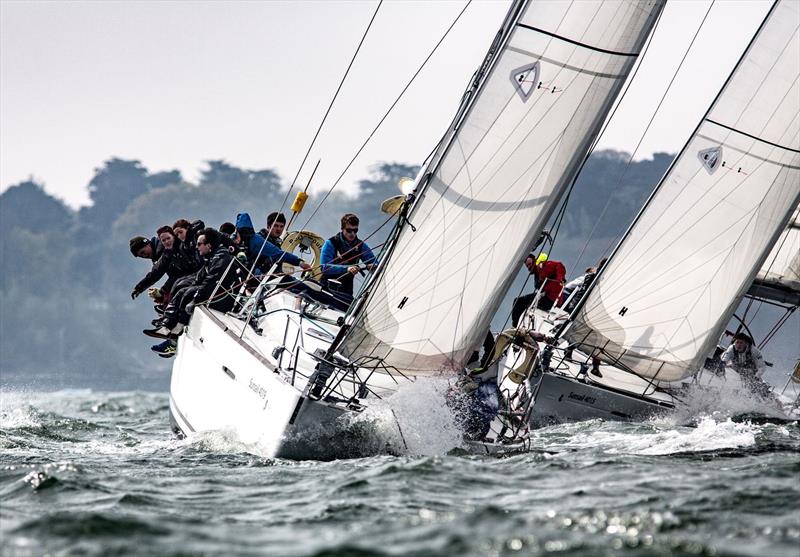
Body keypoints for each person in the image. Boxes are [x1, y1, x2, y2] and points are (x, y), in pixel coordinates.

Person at [145, 228, 242, 356]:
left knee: (187, 293)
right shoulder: (211, 256)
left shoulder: (221, 257)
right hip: (217, 293)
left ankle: (172, 327)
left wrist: (195, 298)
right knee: (182, 289)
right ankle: (168, 325)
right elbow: (200, 277)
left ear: (209, 245)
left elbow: (211, 282)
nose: (197, 247)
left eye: (199, 244)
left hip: (222, 299)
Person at [130, 226, 202, 303]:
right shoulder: (159, 257)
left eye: (143, 252)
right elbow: (175, 276)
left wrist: (140, 287)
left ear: (147, 244)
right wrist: (162, 292)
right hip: (192, 275)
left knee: (178, 293)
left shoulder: (164, 246)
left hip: (200, 267)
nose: (144, 256)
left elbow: (156, 272)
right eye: (141, 256)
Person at [320, 213, 376, 302]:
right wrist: (347, 269)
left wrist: (373, 266)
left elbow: (374, 262)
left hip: (346, 292)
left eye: (355, 231)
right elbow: (325, 267)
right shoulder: (330, 243)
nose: (352, 234)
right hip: (326, 288)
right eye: (349, 230)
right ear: (342, 229)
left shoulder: (361, 246)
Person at [235, 212, 310, 275]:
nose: (279, 229)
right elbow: (278, 253)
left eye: (281, 226)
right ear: (268, 226)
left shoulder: (277, 243)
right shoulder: (259, 240)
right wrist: (299, 262)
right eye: (275, 226)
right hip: (259, 280)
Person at [511, 253, 566, 326]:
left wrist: (560, 278)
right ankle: (520, 325)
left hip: (550, 300)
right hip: (548, 299)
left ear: (535, 260)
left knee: (518, 301)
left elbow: (559, 265)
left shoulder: (542, 266)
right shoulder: (537, 274)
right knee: (523, 304)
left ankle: (515, 326)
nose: (529, 267)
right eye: (527, 266)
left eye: (530, 264)